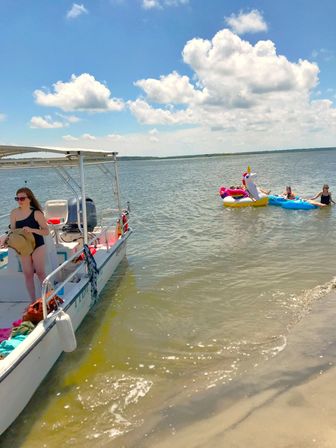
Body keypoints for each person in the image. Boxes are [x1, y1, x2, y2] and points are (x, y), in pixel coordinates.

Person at [10, 188, 49, 301]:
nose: (19, 201)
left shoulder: (36, 213)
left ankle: (49, 298)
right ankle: (33, 302)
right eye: (17, 198)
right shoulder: (14, 213)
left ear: (29, 199)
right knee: (28, 274)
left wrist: (32, 230)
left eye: (22, 198)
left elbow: (46, 231)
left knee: (40, 273)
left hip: (38, 244)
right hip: (23, 246)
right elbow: (13, 230)